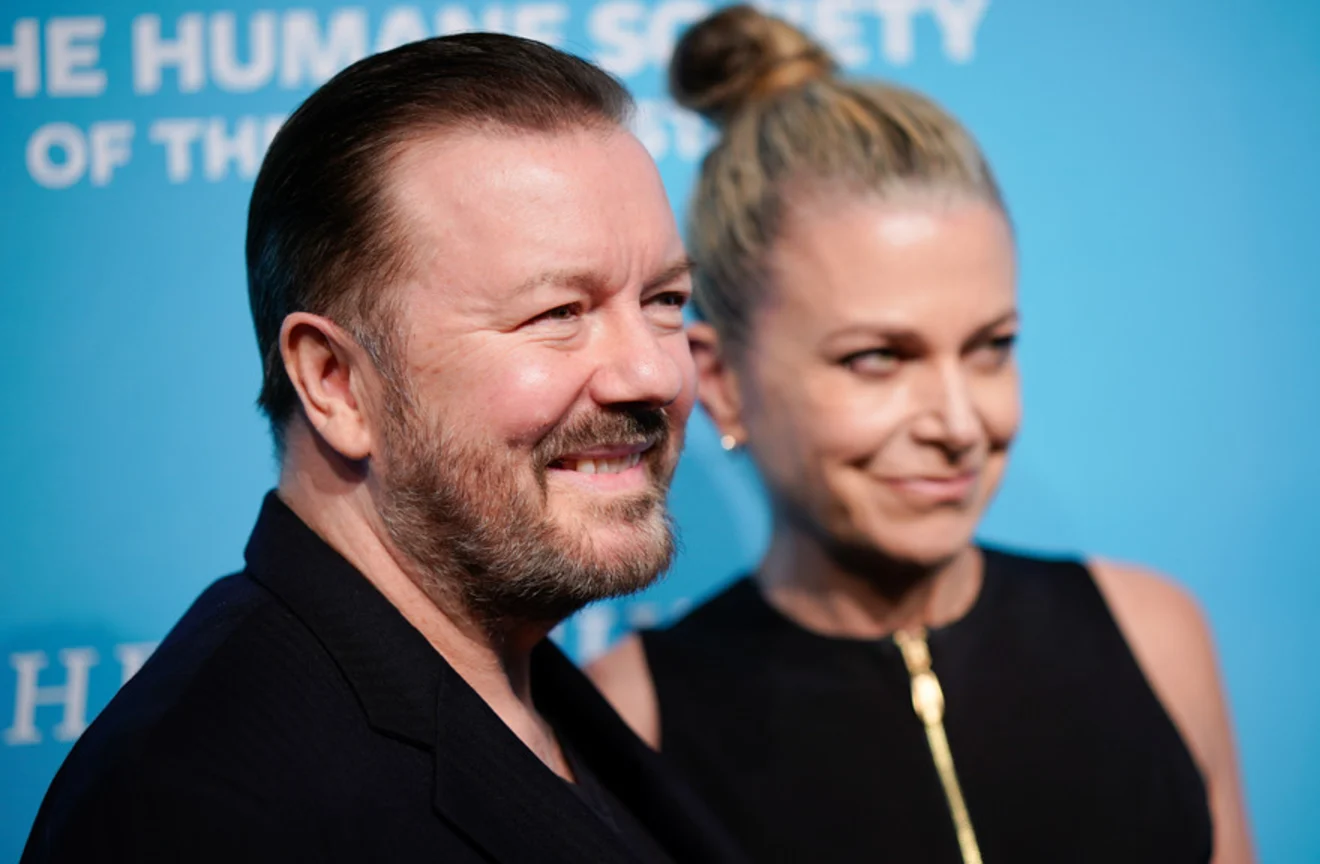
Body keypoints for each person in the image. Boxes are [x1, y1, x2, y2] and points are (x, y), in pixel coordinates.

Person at [23, 33, 745, 864]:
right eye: (558, 314)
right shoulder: (196, 808)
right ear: (335, 382)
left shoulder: (546, 702)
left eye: (665, 299)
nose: (654, 373)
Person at [587, 6, 1256, 864]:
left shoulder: (1155, 638)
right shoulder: (629, 723)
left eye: (990, 348)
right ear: (721, 383)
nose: (960, 424)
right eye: (877, 359)